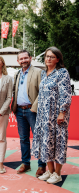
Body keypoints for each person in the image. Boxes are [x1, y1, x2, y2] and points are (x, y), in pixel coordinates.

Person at [32, 47, 72, 184]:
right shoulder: (43, 74)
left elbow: (66, 93)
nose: (48, 59)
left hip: (57, 114)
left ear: (58, 59)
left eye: (52, 57)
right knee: (45, 142)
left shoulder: (62, 73)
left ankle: (58, 173)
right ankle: (49, 171)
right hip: (43, 115)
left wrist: (62, 112)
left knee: (58, 142)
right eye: (47, 56)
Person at [11, 50, 46, 177]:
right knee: (23, 139)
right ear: (18, 61)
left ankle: (42, 165)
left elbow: (42, 92)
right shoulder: (17, 74)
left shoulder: (38, 72)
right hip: (19, 111)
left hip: (33, 110)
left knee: (38, 138)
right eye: (21, 59)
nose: (24, 60)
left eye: (26, 58)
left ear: (30, 58)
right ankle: (25, 163)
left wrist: (34, 108)